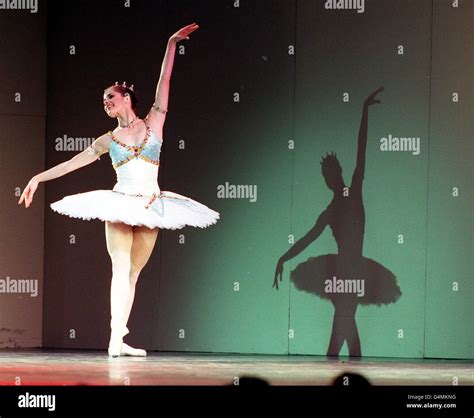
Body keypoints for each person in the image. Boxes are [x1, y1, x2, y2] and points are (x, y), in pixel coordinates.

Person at [18, 23, 220, 357]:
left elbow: (164, 82)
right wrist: (38, 178)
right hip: (120, 204)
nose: (105, 103)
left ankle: (120, 338)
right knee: (120, 268)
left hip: (151, 205)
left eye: (109, 97)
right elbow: (72, 163)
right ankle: (114, 340)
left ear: (126, 98)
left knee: (134, 276)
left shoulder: (154, 122)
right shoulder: (106, 141)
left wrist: (171, 44)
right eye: (102, 101)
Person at [273, 87, 401, 357]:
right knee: (345, 329)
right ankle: (347, 366)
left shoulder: (353, 191)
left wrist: (364, 111)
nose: (328, 178)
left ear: (338, 172)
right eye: (325, 175)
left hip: (354, 271)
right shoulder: (330, 211)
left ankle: (339, 365)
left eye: (330, 172)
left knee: (342, 330)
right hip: (343, 273)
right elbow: (308, 238)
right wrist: (283, 258)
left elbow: (361, 151)